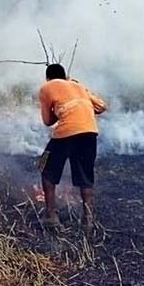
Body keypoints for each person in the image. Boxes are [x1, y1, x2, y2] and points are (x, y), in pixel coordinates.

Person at [38, 63, 107, 229]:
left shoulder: (46, 87)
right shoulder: (78, 85)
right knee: (85, 175)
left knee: (44, 166)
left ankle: (50, 216)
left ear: (48, 78)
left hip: (67, 131)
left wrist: (59, 111)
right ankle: (88, 219)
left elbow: (47, 121)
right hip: (90, 132)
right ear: (65, 76)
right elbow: (102, 106)